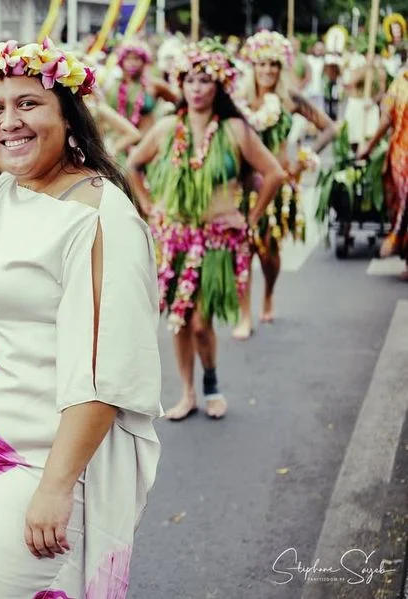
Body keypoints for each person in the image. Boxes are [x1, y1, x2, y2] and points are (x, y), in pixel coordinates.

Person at [0, 39, 162, 599]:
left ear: (68, 115)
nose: (10, 122)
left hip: (39, 472)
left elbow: (110, 366)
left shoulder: (100, 215)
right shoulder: (9, 190)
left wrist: (57, 488)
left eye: (29, 103)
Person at [128, 40, 285, 421]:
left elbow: (275, 174)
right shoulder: (167, 129)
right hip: (174, 239)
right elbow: (132, 166)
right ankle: (187, 393)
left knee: (200, 322)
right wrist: (149, 207)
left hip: (215, 241)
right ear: (180, 85)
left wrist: (250, 219)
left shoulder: (234, 130)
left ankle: (212, 383)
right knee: (178, 320)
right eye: (190, 80)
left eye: (204, 81)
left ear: (219, 87)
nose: (196, 88)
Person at [232, 31, 335, 338]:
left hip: (277, 185)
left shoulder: (290, 99)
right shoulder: (238, 99)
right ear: (253, 65)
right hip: (242, 184)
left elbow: (329, 127)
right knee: (242, 250)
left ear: (281, 68)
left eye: (274, 65)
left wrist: (306, 155)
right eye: (262, 64)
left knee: (269, 255)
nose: (268, 71)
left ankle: (268, 293)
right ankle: (245, 316)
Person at [359, 67, 408, 280]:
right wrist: (369, 147)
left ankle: (397, 237)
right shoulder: (399, 84)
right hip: (403, 158)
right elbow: (386, 119)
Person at [108, 38, 179, 134]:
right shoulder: (114, 86)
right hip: (122, 141)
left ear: (144, 61)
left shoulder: (154, 85)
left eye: (136, 59)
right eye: (127, 58)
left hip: (148, 141)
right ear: (121, 61)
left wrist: (168, 123)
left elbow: (179, 103)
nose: (132, 63)